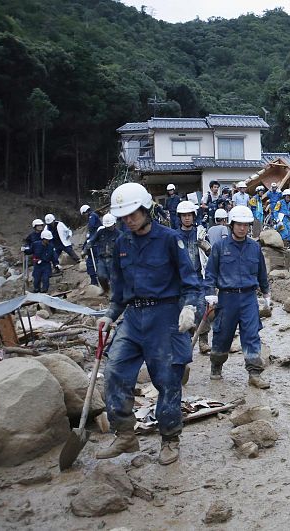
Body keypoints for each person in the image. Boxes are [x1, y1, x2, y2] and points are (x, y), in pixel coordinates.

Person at [96, 182, 201, 465]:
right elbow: (118, 289)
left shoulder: (169, 239)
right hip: (132, 317)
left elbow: (191, 281)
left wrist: (189, 306)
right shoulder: (121, 243)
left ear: (146, 210)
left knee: (167, 380)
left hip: (164, 316)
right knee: (115, 371)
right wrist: (110, 314)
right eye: (124, 216)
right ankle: (125, 435)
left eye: (133, 214)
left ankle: (169, 438)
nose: (128, 220)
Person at [203, 205, 272, 388]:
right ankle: (216, 365)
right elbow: (210, 274)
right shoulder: (219, 247)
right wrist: (210, 294)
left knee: (251, 336)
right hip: (227, 299)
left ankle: (254, 373)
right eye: (239, 224)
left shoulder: (254, 247)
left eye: (246, 225)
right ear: (231, 224)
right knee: (222, 335)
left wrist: (266, 293)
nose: (242, 228)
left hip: (249, 298)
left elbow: (261, 273)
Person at [176, 200, 210, 353]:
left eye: (189, 215)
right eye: (184, 215)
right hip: (181, 280)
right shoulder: (174, 236)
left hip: (199, 276)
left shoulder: (200, 233)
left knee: (203, 307)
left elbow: (212, 253)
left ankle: (203, 341)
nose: (187, 218)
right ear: (180, 217)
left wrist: (205, 245)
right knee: (184, 309)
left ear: (193, 216)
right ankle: (185, 342)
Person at [84, 214, 119, 293]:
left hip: (113, 259)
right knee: (101, 276)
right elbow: (92, 240)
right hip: (102, 258)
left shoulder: (119, 234)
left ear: (114, 223)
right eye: (107, 226)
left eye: (110, 226)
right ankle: (105, 290)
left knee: (113, 278)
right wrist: (86, 248)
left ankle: (115, 295)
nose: (109, 227)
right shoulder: (101, 232)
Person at [81, 204, 101, 286]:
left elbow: (92, 227)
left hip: (96, 241)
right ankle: (94, 281)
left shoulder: (92, 216)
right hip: (93, 239)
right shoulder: (93, 216)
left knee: (96, 260)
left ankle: (98, 281)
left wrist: (90, 238)